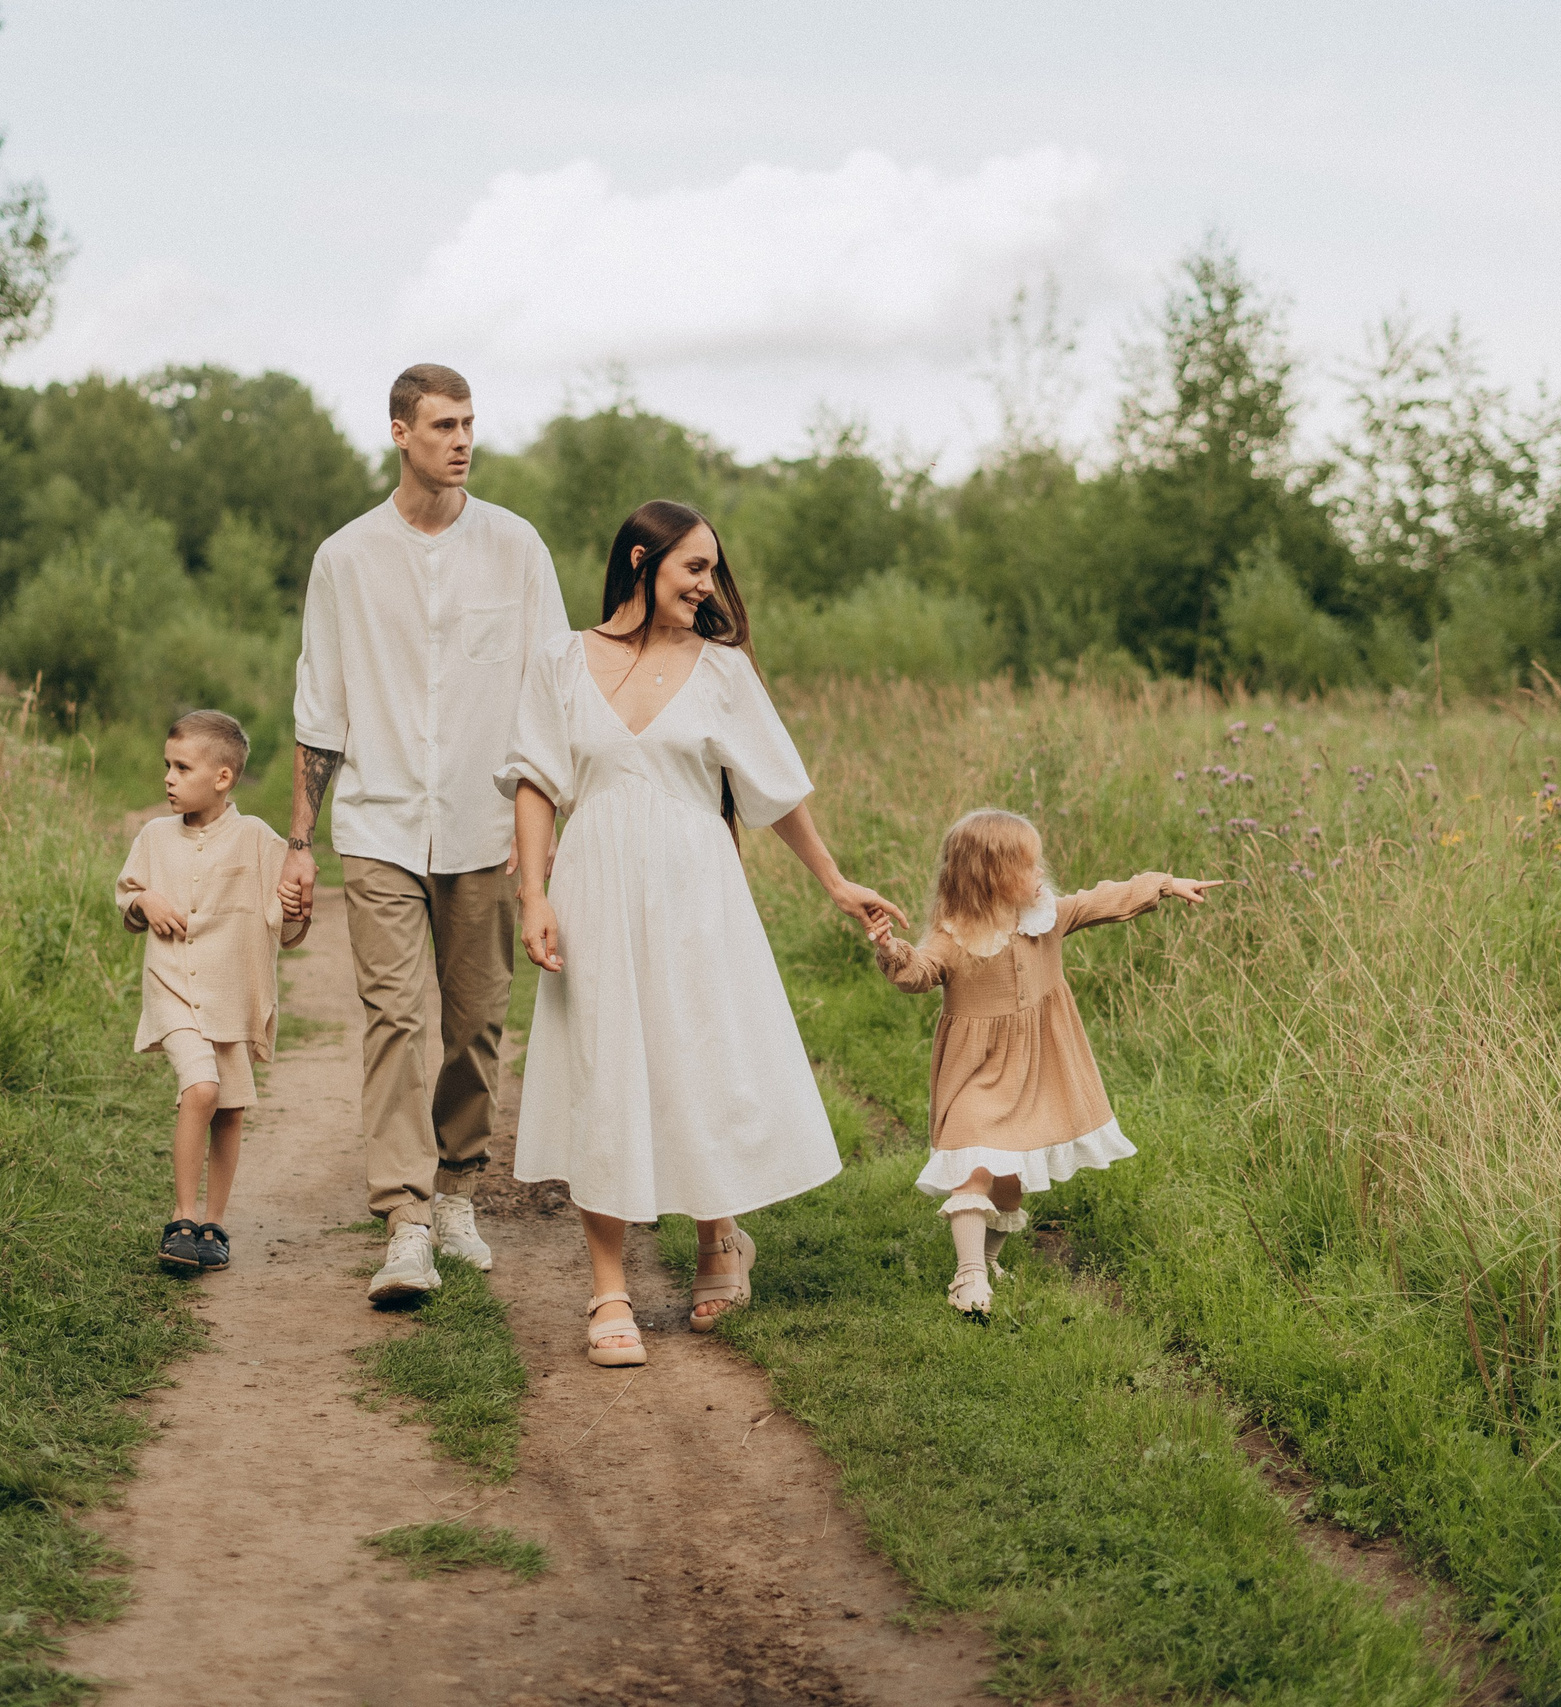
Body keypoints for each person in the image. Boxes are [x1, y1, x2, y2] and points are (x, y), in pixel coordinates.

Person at [499, 499, 906, 1368]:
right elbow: (536, 783)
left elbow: (776, 788)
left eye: (713, 570)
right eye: (694, 568)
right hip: (594, 883)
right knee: (601, 1066)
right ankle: (608, 1286)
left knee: (699, 1052)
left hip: (694, 885)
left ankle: (720, 1234)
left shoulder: (721, 669)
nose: (708, 586)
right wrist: (534, 894)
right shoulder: (559, 661)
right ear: (643, 561)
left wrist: (835, 881)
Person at [281, 364, 568, 1302]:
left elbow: (551, 695)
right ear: (400, 432)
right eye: (443, 424)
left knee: (476, 1021)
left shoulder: (518, 549)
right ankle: (403, 1220)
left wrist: (551, 839)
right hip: (379, 821)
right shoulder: (346, 558)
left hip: (487, 825)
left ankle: (456, 1188)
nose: (462, 440)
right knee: (398, 1018)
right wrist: (297, 841)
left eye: (470, 423)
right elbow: (319, 707)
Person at [864, 809, 1219, 1316]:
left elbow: (1100, 902)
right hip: (975, 1075)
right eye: (1027, 866)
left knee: (1010, 1187)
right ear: (991, 876)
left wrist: (1162, 885)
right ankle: (968, 1278)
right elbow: (918, 973)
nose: (1039, 874)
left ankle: (989, 1261)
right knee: (973, 1166)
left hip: (1036, 1073)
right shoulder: (953, 936)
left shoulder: (1045, 919)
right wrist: (892, 951)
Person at [116, 709, 309, 1274]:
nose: (169, 778)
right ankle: (180, 1218)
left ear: (222, 777)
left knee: (230, 1109)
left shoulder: (257, 840)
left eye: (182, 767)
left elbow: (290, 926)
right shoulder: (153, 837)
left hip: (232, 994)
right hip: (171, 985)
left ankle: (214, 1225)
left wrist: (299, 911)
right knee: (201, 1089)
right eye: (166, 766)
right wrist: (143, 901)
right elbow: (127, 896)